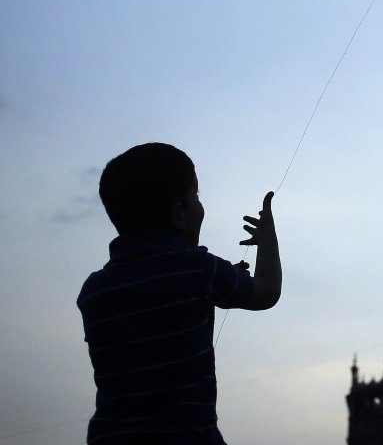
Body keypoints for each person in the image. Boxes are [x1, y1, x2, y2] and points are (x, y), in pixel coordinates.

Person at [77, 142, 282, 444]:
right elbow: (267, 291)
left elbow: (155, 298)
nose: (201, 206)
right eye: (196, 196)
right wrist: (267, 239)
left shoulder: (94, 292)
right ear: (179, 215)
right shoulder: (199, 270)